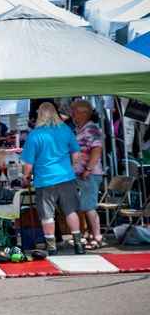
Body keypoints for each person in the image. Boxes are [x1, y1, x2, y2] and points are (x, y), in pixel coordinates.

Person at [22, 102, 85, 255]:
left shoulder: (35, 135)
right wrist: (68, 167)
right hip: (66, 177)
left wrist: (25, 177)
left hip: (45, 180)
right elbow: (77, 155)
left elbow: (28, 165)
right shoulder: (65, 130)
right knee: (70, 211)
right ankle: (78, 245)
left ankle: (51, 247)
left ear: (39, 115)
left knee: (47, 215)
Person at [70, 99, 104, 250]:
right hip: (83, 174)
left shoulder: (91, 129)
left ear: (84, 113)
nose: (72, 115)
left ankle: (97, 237)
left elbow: (97, 150)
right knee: (85, 205)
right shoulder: (82, 129)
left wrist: (88, 169)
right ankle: (89, 234)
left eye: (75, 112)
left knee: (90, 206)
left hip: (89, 174)